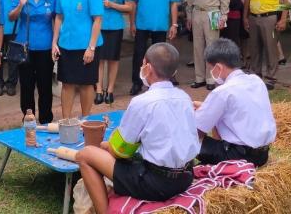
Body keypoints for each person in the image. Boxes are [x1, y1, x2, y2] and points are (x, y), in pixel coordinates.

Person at [76, 43, 201, 214]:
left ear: (147, 68)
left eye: (143, 64)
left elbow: (120, 151)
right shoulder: (185, 98)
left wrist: (106, 146)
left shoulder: (142, 102)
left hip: (156, 183)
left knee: (85, 154)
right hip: (185, 177)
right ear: (174, 73)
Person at [193, 38, 276, 167]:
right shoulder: (256, 81)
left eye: (211, 68)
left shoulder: (222, 91)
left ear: (218, 67)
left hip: (239, 157)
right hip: (262, 155)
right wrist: (206, 108)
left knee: (186, 137)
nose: (211, 73)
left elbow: (197, 131)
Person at [52, 0, 103, 118]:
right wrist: (54, 43)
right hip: (66, 43)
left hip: (87, 45)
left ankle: (85, 120)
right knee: (67, 84)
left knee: (86, 85)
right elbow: (59, 17)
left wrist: (91, 47)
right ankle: (66, 121)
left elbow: (97, 20)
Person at [9, 0, 56, 123]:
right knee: (27, 85)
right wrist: (21, 5)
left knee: (45, 86)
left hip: (46, 47)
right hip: (25, 47)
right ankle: (28, 117)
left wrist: (56, 43)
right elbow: (11, 17)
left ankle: (45, 119)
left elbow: (58, 20)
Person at [129, 0, 180, 96]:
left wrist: (174, 24)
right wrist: (132, 23)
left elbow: (173, 3)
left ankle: (158, 83)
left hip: (161, 24)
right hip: (142, 23)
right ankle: (137, 83)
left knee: (159, 55)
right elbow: (133, 2)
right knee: (139, 54)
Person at [243, 0, 288, 90]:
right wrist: (245, 17)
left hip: (270, 18)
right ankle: (255, 75)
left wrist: (283, 19)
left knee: (271, 48)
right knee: (254, 48)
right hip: (253, 17)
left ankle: (270, 78)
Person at [186, 0, 229, 91]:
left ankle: (211, 78)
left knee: (212, 48)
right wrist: (189, 16)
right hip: (197, 12)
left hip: (214, 13)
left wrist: (224, 17)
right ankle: (199, 78)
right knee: (197, 47)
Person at [93, 0, 133, 105]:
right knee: (99, 59)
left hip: (115, 26)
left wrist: (112, 5)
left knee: (113, 59)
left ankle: (109, 90)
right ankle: (98, 89)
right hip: (99, 25)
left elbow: (129, 6)